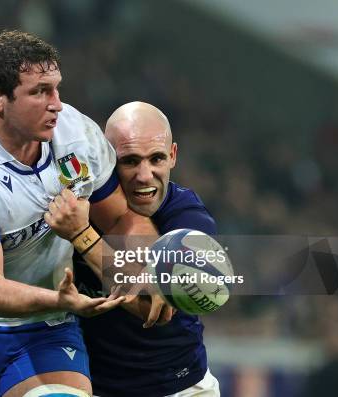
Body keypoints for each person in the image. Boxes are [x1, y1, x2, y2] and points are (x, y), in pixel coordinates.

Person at [0, 31, 171, 397]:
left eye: (56, 88)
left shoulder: (77, 134)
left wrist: (144, 265)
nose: (56, 104)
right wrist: (61, 299)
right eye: (39, 92)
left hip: (44, 328)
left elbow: (120, 219)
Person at [74, 101, 220, 396]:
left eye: (156, 159)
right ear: (106, 159)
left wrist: (82, 236)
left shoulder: (187, 215)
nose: (144, 175)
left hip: (182, 387)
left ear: (173, 156)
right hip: (97, 387)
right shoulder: (77, 204)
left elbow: (158, 307)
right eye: (129, 161)